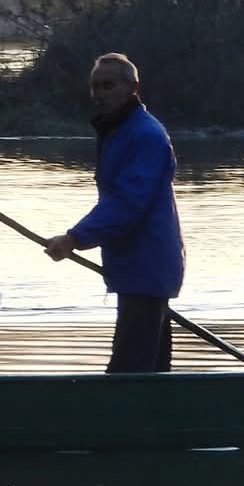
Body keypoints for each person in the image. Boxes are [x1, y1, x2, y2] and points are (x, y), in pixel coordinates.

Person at [46, 52, 186, 372]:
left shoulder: (145, 136)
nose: (99, 94)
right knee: (149, 370)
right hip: (132, 269)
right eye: (95, 87)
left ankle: (129, 419)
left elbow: (127, 203)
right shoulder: (119, 132)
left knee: (130, 371)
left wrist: (74, 238)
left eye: (108, 86)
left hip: (147, 267)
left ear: (132, 87)